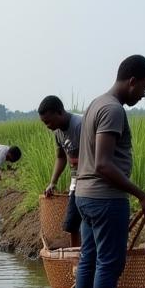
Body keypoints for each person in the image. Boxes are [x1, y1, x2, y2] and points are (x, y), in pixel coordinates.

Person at [73, 55, 145, 288]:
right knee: (109, 261)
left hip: (85, 197)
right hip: (105, 198)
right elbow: (103, 164)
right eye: (144, 87)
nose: (144, 94)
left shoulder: (96, 104)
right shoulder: (113, 110)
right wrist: (142, 195)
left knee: (89, 258)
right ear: (132, 81)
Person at [37, 95, 82, 248]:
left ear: (60, 112)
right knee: (72, 224)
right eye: (44, 123)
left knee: (90, 223)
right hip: (76, 182)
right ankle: (77, 258)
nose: (47, 126)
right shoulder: (58, 132)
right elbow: (61, 157)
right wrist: (52, 183)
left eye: (48, 121)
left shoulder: (80, 125)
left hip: (92, 182)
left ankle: (88, 259)